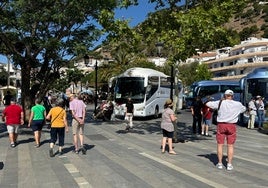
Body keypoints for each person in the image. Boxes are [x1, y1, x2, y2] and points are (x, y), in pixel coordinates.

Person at [206, 89, 246, 171]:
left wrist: (219, 101)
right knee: (230, 145)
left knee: (220, 144)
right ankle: (229, 164)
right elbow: (244, 109)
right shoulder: (238, 104)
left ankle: (220, 163)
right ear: (233, 96)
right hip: (232, 125)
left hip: (221, 125)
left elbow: (208, 104)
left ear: (224, 95)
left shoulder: (220, 103)